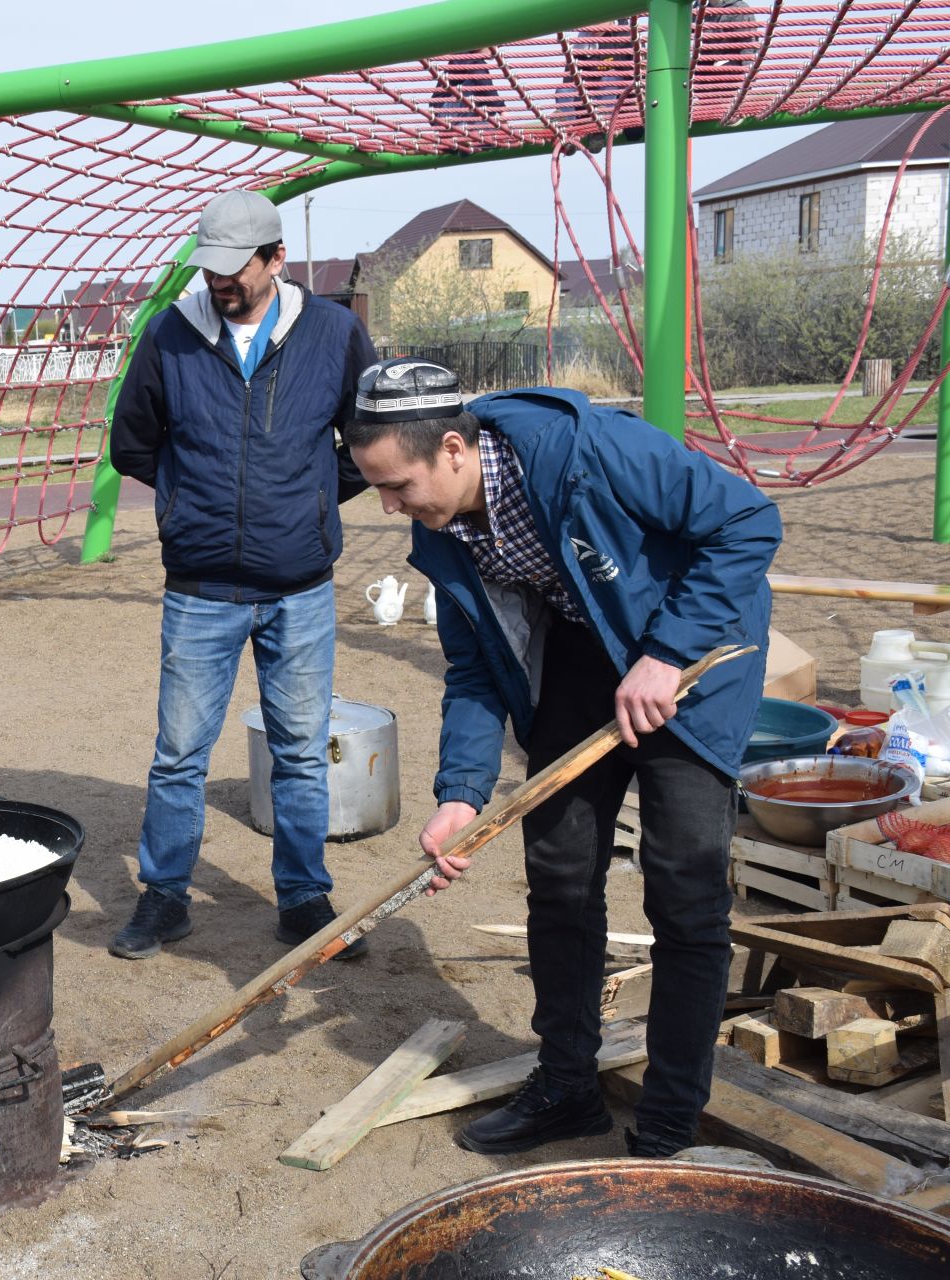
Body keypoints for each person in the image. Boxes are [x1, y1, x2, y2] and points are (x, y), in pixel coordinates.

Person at [342, 359, 780, 1158]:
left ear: (451, 448)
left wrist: (666, 652)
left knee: (684, 892)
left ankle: (669, 1124)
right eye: (378, 489)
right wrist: (463, 794)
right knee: (560, 874)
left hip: (693, 657)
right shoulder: (440, 530)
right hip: (581, 658)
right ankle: (568, 1084)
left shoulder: (592, 452)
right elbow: (475, 668)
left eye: (397, 485)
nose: (390, 506)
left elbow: (749, 521)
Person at [106, 189, 380, 961]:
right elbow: (133, 443)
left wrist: (315, 501)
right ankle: (165, 896)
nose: (220, 282)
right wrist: (190, 503)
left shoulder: (332, 331)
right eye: (210, 269)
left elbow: (367, 437)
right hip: (200, 586)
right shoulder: (171, 336)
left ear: (274, 261)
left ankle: (302, 896)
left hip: (300, 586)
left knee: (299, 748)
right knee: (179, 753)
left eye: (235, 269)